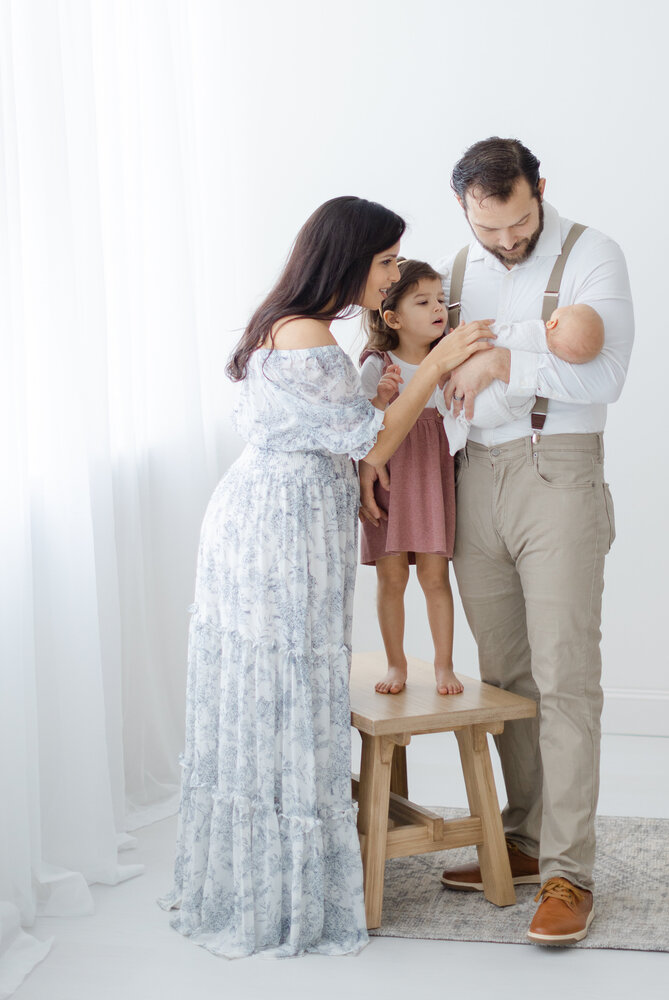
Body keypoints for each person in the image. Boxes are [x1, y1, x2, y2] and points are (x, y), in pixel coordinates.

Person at [158, 197, 494, 959]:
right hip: (282, 527)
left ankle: (261, 877)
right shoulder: (310, 336)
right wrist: (436, 365)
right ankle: (283, 890)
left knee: (269, 696)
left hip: (269, 513)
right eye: (385, 262)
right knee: (289, 693)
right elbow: (372, 438)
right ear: (346, 259)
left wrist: (366, 440)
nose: (392, 277)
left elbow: (338, 432)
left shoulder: (289, 323)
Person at [361, 137, 634, 945]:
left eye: (518, 223)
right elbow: (424, 361)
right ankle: (522, 838)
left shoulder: (593, 255)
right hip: (471, 475)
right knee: (507, 676)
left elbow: (606, 376)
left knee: (565, 677)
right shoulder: (453, 269)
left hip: (559, 469)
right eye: (489, 229)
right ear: (463, 209)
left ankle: (569, 873)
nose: (506, 241)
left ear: (539, 188)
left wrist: (504, 362)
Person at [359, 259, 481, 696]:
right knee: (392, 579)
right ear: (393, 318)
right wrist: (382, 399)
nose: (438, 309)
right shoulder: (377, 364)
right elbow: (359, 427)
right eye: (424, 302)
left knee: (434, 578)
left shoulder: (448, 360)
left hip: (431, 479)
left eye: (441, 300)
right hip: (389, 480)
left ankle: (444, 666)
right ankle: (396, 664)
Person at [438, 304, 604, 454]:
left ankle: (452, 418)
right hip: (496, 413)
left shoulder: (534, 332)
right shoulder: (550, 363)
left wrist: (469, 337)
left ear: (552, 323)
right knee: (526, 397)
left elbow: (500, 335)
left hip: (476, 401)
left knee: (448, 392)